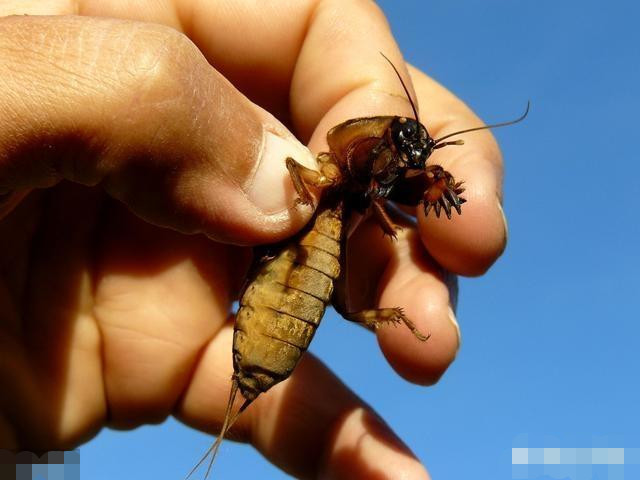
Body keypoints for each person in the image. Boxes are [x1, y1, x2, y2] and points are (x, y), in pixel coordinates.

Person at [0, 2, 507, 479]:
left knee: (350, 307)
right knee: (348, 300)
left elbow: (386, 190)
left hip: (306, 273)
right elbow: (304, 163)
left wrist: (436, 182)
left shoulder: (381, 183)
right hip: (290, 269)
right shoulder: (341, 156)